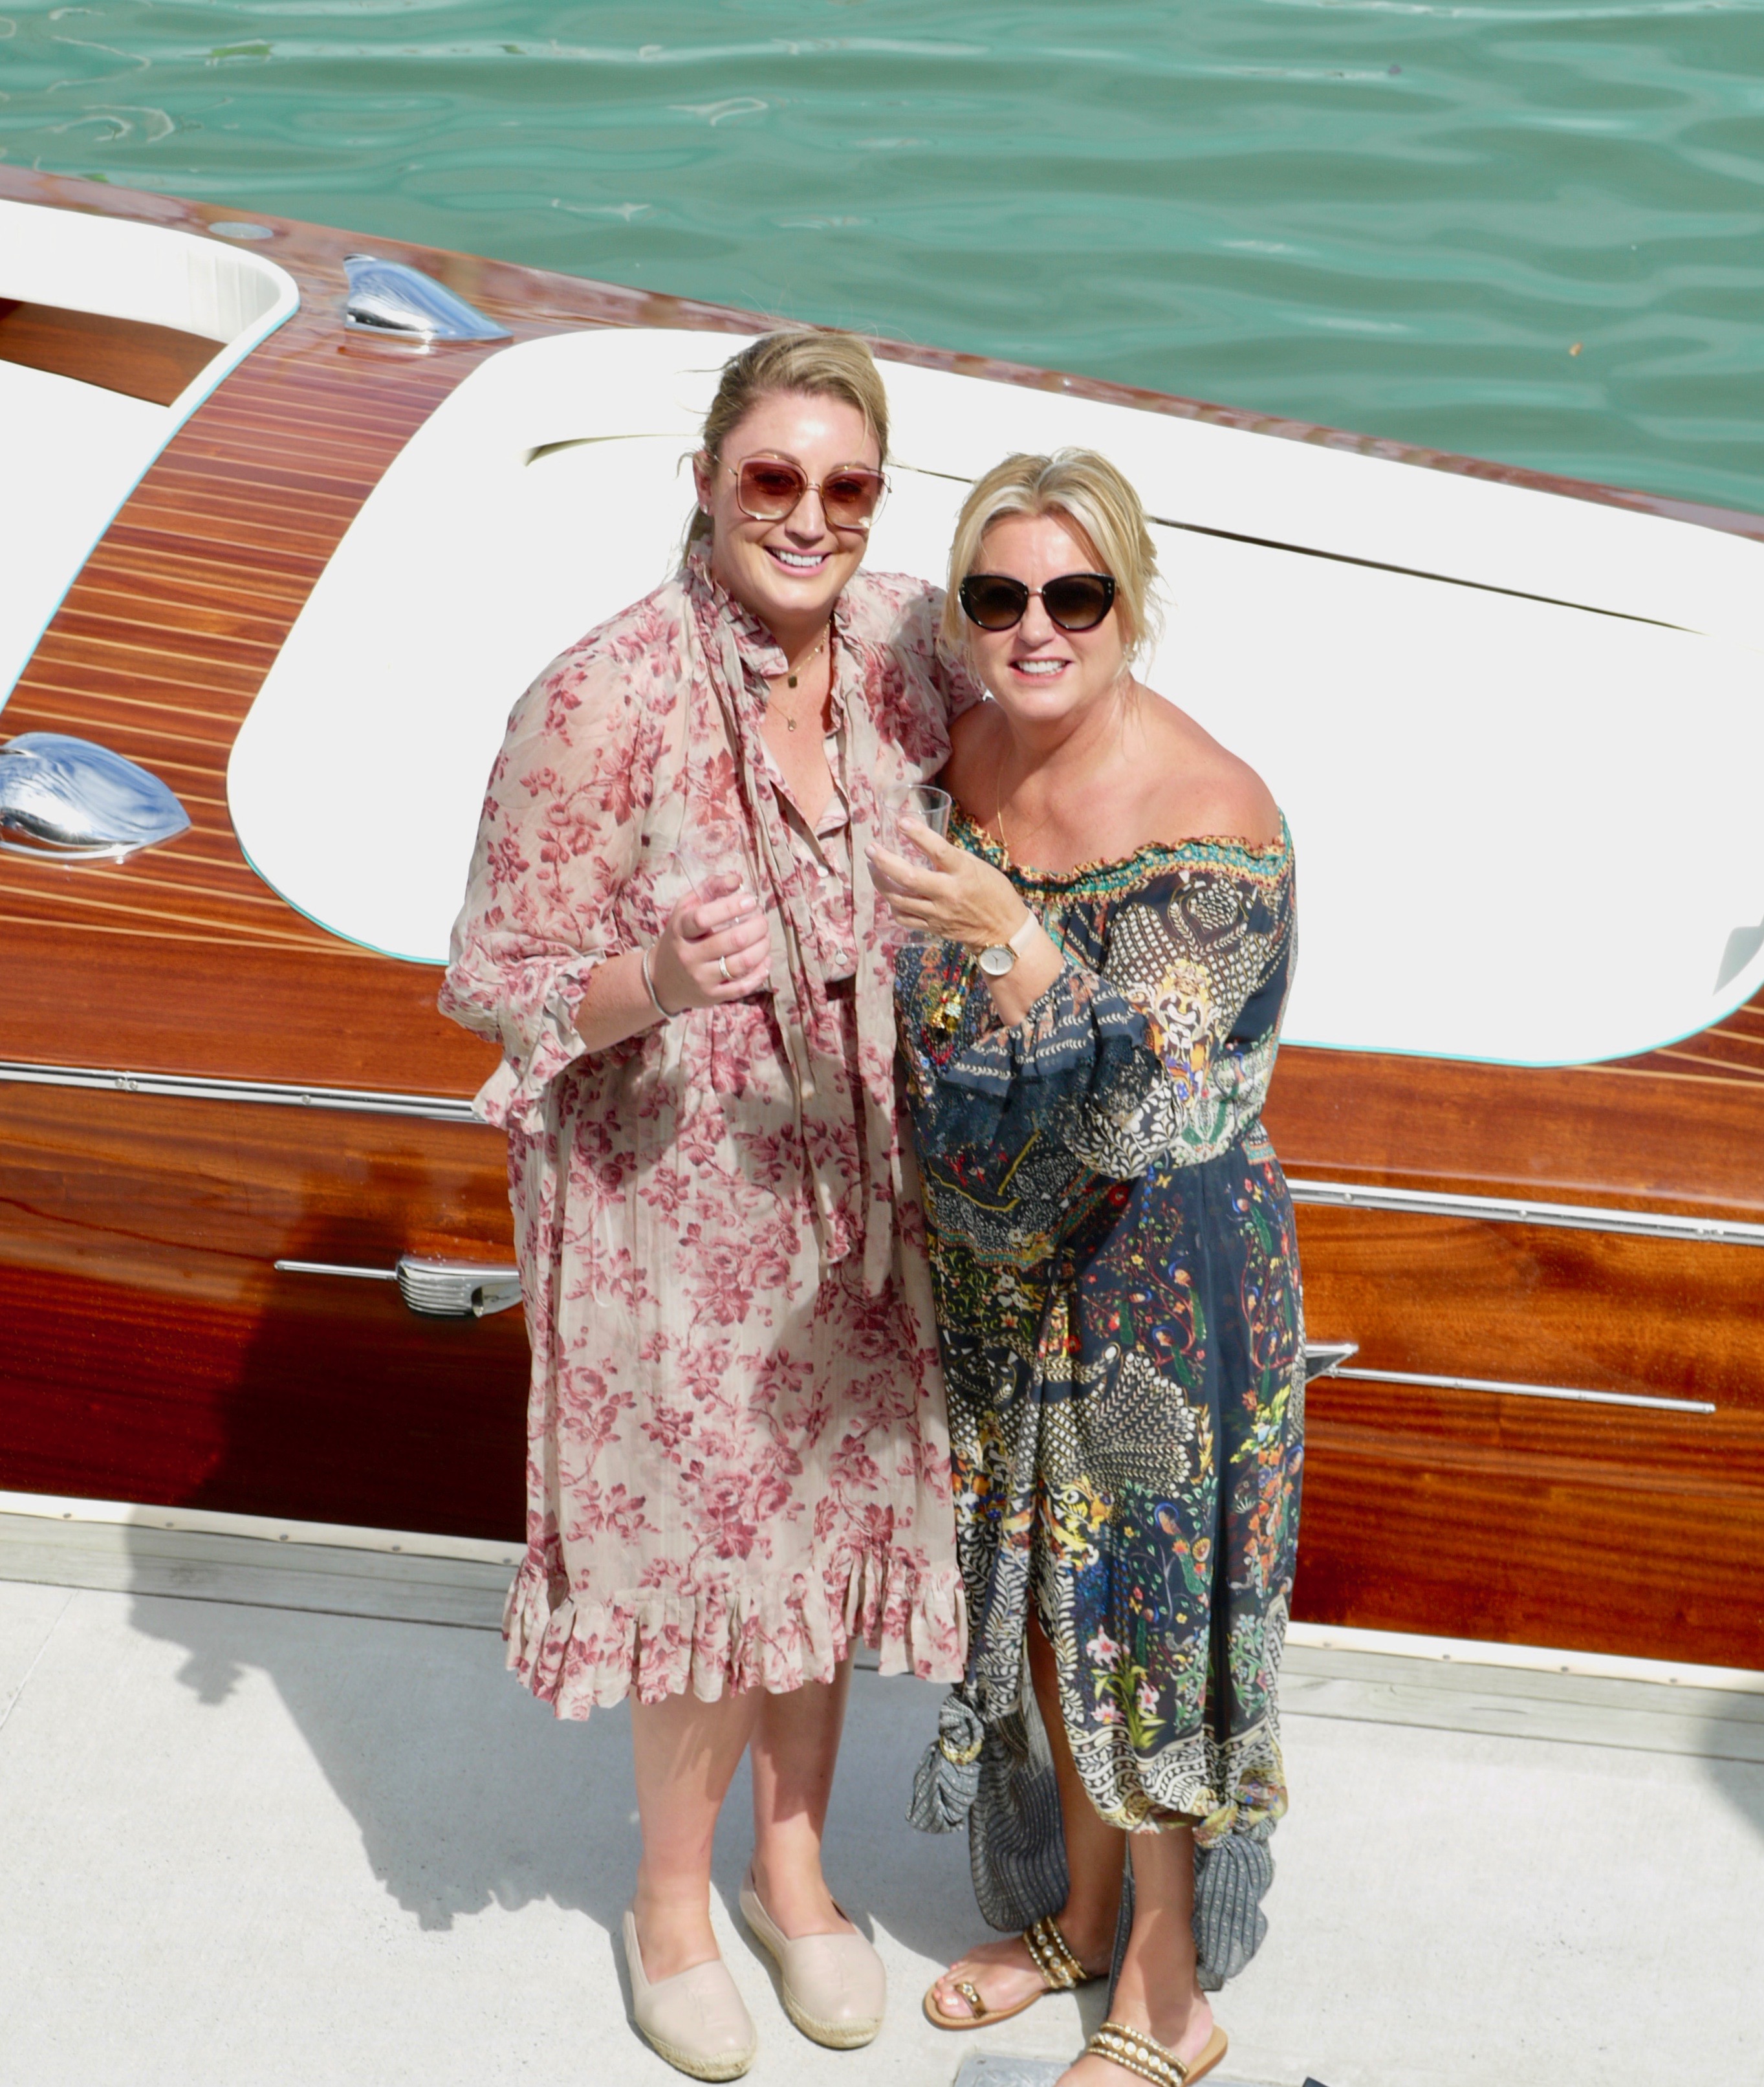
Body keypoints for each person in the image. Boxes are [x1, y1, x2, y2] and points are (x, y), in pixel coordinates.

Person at [440, 329, 975, 2082]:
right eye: (772, 477)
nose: (808, 517)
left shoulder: (899, 645)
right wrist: (655, 980)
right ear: (705, 479)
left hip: (860, 1186)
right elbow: (497, 981)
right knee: (707, 1560)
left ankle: (790, 1865)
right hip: (674, 1209)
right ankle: (671, 1901)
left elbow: (1059, 673)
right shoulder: (597, 697)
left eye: (846, 485)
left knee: (829, 1529)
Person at [871, 448, 1305, 2087]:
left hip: (1161, 1285)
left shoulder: (1214, 820)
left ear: (1133, 602)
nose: (1032, 626)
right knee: (1047, 1613)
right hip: (1000, 1282)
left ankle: (1169, 1989)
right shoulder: (956, 759)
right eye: (997, 595)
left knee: (1151, 1627)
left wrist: (1012, 935)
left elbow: (1153, 1113)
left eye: (1072, 593)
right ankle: (1077, 1908)